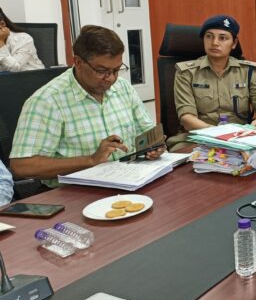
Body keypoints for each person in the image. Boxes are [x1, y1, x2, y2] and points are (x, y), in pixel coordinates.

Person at [9, 25, 162, 187]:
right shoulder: (48, 101)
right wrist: (90, 160)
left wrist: (155, 147)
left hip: (130, 182)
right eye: (102, 70)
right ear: (78, 62)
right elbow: (22, 166)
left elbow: (147, 132)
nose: (111, 78)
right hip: (76, 193)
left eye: (117, 70)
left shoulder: (123, 87)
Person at [169, 15, 256, 150]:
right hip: (199, 138)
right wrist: (218, 134)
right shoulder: (186, 73)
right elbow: (187, 118)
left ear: (234, 43)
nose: (214, 43)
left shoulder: (247, 71)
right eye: (209, 36)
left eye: (223, 38)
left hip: (240, 139)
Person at [0, 6, 45, 72]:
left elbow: (14, 68)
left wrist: (1, 42)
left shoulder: (23, 38)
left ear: (2, 24)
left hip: (32, 76)